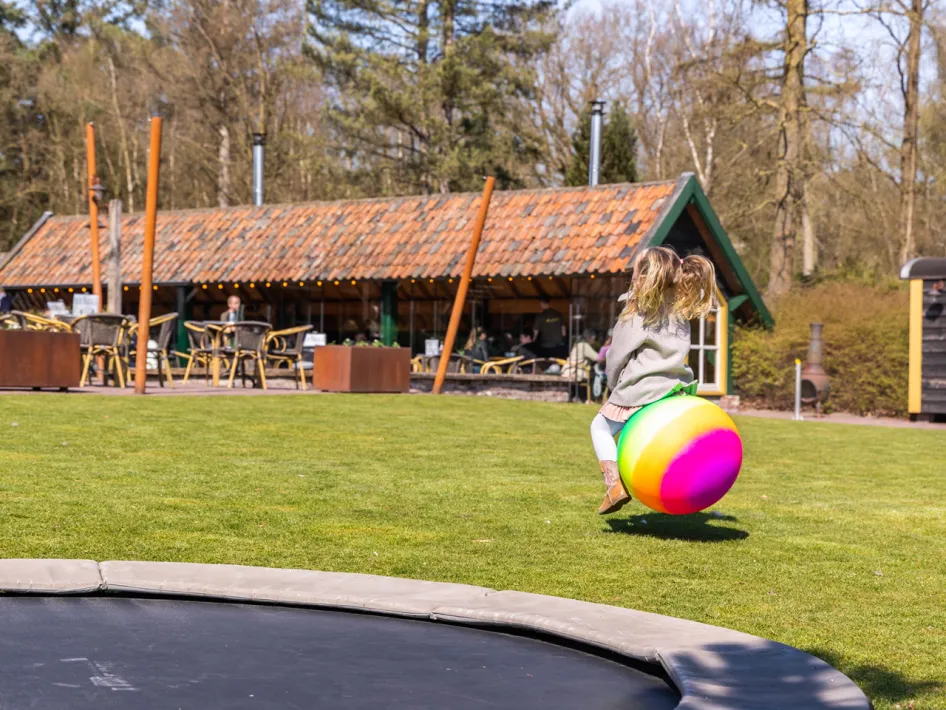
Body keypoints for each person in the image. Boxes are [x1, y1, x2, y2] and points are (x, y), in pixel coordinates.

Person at [590, 247, 715, 515]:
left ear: (643, 275)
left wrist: (614, 385)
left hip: (642, 389)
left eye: (635, 269)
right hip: (676, 390)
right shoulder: (680, 309)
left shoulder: (637, 312)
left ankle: (613, 486)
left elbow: (616, 355)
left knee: (599, 427)